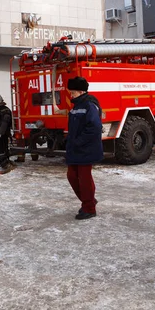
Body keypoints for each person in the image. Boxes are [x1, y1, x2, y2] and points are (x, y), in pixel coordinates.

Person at [65, 77, 103, 220]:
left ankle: (89, 208)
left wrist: (79, 141)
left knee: (84, 179)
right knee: (72, 176)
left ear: (81, 91)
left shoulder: (89, 105)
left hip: (85, 149)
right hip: (76, 149)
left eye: (73, 92)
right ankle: (89, 200)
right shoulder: (77, 105)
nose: (71, 95)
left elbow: (95, 127)